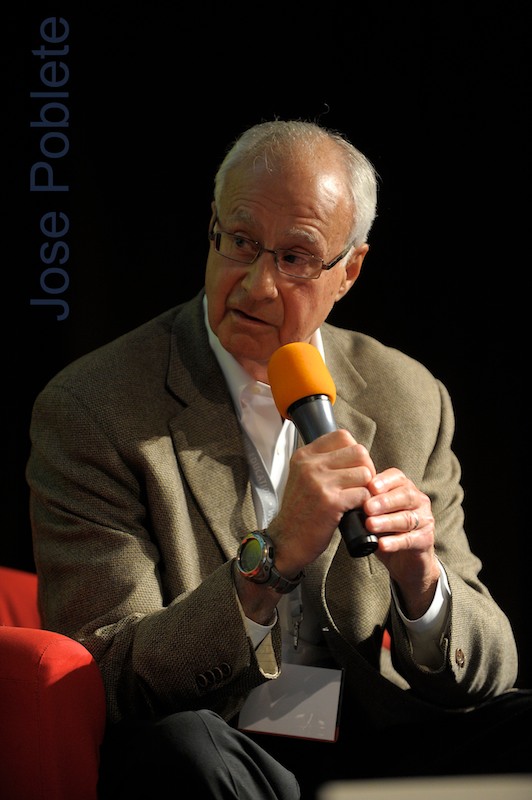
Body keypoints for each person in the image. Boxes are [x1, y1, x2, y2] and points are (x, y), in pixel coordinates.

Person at [26, 119, 531, 800]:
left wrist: (424, 585)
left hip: (369, 735)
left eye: (295, 257)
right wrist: (271, 558)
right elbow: (108, 673)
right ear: (212, 227)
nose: (258, 284)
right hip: (220, 737)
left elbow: (491, 665)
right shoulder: (95, 405)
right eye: (240, 242)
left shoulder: (409, 396)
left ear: (349, 270)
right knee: (180, 751)